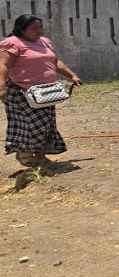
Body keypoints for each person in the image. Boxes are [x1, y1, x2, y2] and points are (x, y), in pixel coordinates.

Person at [0, 14, 83, 169]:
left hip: (45, 93)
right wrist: (2, 87)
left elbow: (55, 62)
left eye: (40, 27)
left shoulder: (44, 42)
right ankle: (27, 155)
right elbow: (3, 65)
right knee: (32, 127)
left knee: (46, 126)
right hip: (22, 93)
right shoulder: (13, 43)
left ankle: (39, 158)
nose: (38, 31)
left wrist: (72, 75)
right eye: (34, 28)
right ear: (22, 29)